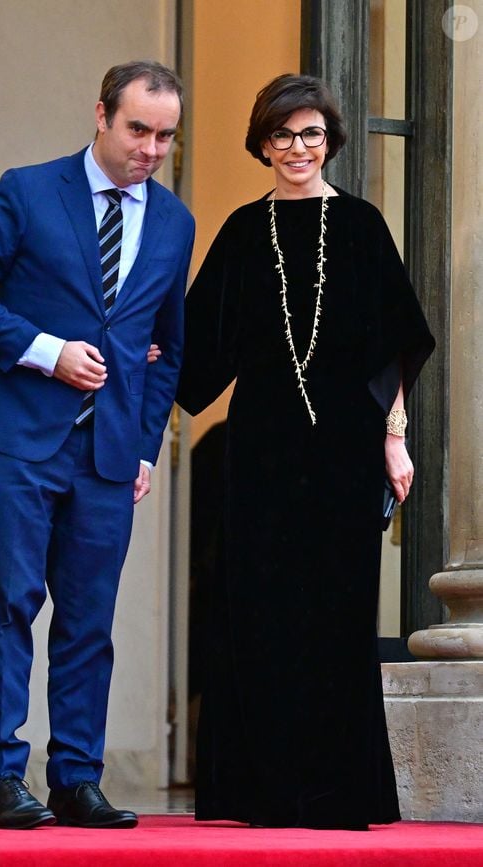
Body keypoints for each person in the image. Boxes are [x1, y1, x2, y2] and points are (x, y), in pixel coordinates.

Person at [0, 60, 194, 830]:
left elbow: (166, 348)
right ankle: (2, 774)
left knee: (89, 620)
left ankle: (77, 777)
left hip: (111, 454)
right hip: (19, 434)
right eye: (137, 130)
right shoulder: (26, 189)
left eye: (165, 136)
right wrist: (47, 349)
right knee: (10, 603)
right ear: (101, 116)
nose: (150, 149)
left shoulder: (176, 220)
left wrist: (146, 445)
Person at [177, 73, 434, 830]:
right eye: (283, 134)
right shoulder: (238, 231)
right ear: (262, 142)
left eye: (312, 133)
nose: (298, 147)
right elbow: (194, 352)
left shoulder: (360, 226)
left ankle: (335, 792)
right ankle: (261, 792)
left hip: (345, 455)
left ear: (331, 141)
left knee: (337, 614)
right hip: (258, 452)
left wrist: (394, 441)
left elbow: (396, 347)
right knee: (258, 616)